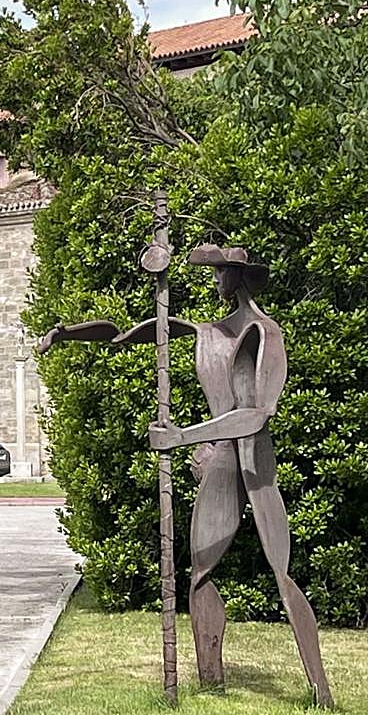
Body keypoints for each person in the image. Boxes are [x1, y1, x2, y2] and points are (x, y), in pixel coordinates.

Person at [37, 244, 332, 707]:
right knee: (200, 573)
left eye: (219, 273)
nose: (214, 282)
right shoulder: (207, 332)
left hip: (255, 462)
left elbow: (257, 414)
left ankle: (321, 689)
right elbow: (129, 335)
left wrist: (183, 437)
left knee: (281, 570)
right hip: (220, 461)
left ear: (237, 276)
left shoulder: (263, 332)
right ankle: (209, 679)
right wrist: (68, 333)